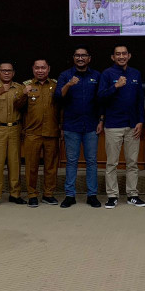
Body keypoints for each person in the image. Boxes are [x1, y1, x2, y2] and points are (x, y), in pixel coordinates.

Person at [98, 43, 145, 209]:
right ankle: (112, 195)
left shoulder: (136, 74)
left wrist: (140, 121)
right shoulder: (107, 74)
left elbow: (140, 99)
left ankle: (133, 194)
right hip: (113, 125)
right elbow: (101, 97)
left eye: (124, 54)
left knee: (132, 162)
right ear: (113, 57)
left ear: (129, 56)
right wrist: (115, 86)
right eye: (117, 54)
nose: (121, 56)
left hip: (133, 125)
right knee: (112, 163)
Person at [55, 46, 102, 208]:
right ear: (73, 58)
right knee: (72, 161)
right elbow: (58, 97)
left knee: (91, 161)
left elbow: (101, 100)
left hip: (91, 125)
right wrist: (68, 84)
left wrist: (101, 119)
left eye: (83, 55)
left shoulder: (96, 75)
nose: (80, 58)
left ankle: (92, 195)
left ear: (89, 58)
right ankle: (69, 195)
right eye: (77, 55)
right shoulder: (65, 75)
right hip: (71, 125)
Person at [0, 62, 27, 207]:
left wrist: (24, 95)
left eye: (9, 71)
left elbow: (22, 106)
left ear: (13, 73)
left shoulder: (20, 87)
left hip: (15, 128)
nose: (6, 73)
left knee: (14, 163)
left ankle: (15, 194)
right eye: (3, 71)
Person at [22, 59, 61, 208]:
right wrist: (23, 95)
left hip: (51, 132)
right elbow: (17, 106)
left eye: (43, 68)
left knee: (51, 166)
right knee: (31, 166)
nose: (40, 70)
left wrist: (61, 127)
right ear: (33, 69)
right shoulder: (26, 86)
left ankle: (48, 194)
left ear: (48, 69)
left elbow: (61, 108)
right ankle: (32, 195)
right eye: (37, 68)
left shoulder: (56, 85)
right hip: (32, 133)